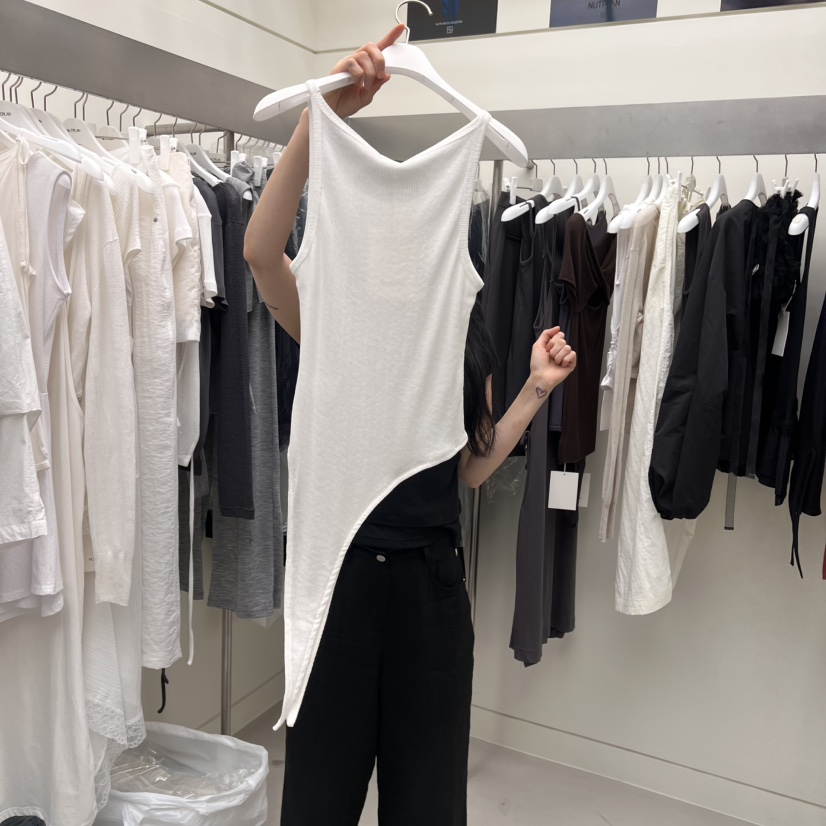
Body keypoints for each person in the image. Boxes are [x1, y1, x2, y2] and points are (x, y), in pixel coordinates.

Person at [244, 25, 577, 826]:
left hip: (432, 589)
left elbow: (469, 466)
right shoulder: (333, 321)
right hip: (340, 580)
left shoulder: (461, 330)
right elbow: (260, 251)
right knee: (317, 802)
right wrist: (320, 118)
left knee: (427, 806)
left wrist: (535, 390)